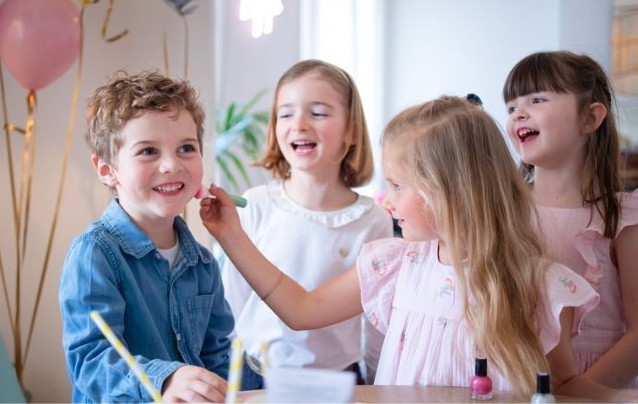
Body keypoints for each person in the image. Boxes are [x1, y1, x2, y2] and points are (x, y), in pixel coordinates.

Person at [201, 95, 638, 401]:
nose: (386, 200)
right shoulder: (395, 265)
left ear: (452, 191)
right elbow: (301, 308)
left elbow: (561, 391)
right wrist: (232, 236)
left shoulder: (538, 284)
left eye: (396, 185)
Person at [59, 70, 260, 403]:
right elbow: (90, 363)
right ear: (107, 169)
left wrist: (281, 384)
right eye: (148, 151)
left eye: (186, 148)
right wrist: (164, 381)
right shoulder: (93, 255)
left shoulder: (203, 263)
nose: (171, 164)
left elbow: (219, 360)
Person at [221, 59, 392, 384]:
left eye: (318, 113)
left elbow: (377, 323)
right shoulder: (255, 205)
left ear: (351, 130)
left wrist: (376, 386)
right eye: (285, 114)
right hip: (254, 377)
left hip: (337, 382)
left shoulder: (373, 221)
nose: (298, 124)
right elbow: (231, 306)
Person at [503, 50, 638, 389]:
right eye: (511, 106)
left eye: (536, 99)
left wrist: (577, 392)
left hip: (596, 387)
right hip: (513, 381)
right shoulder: (504, 209)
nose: (519, 113)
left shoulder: (623, 216)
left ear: (590, 119)